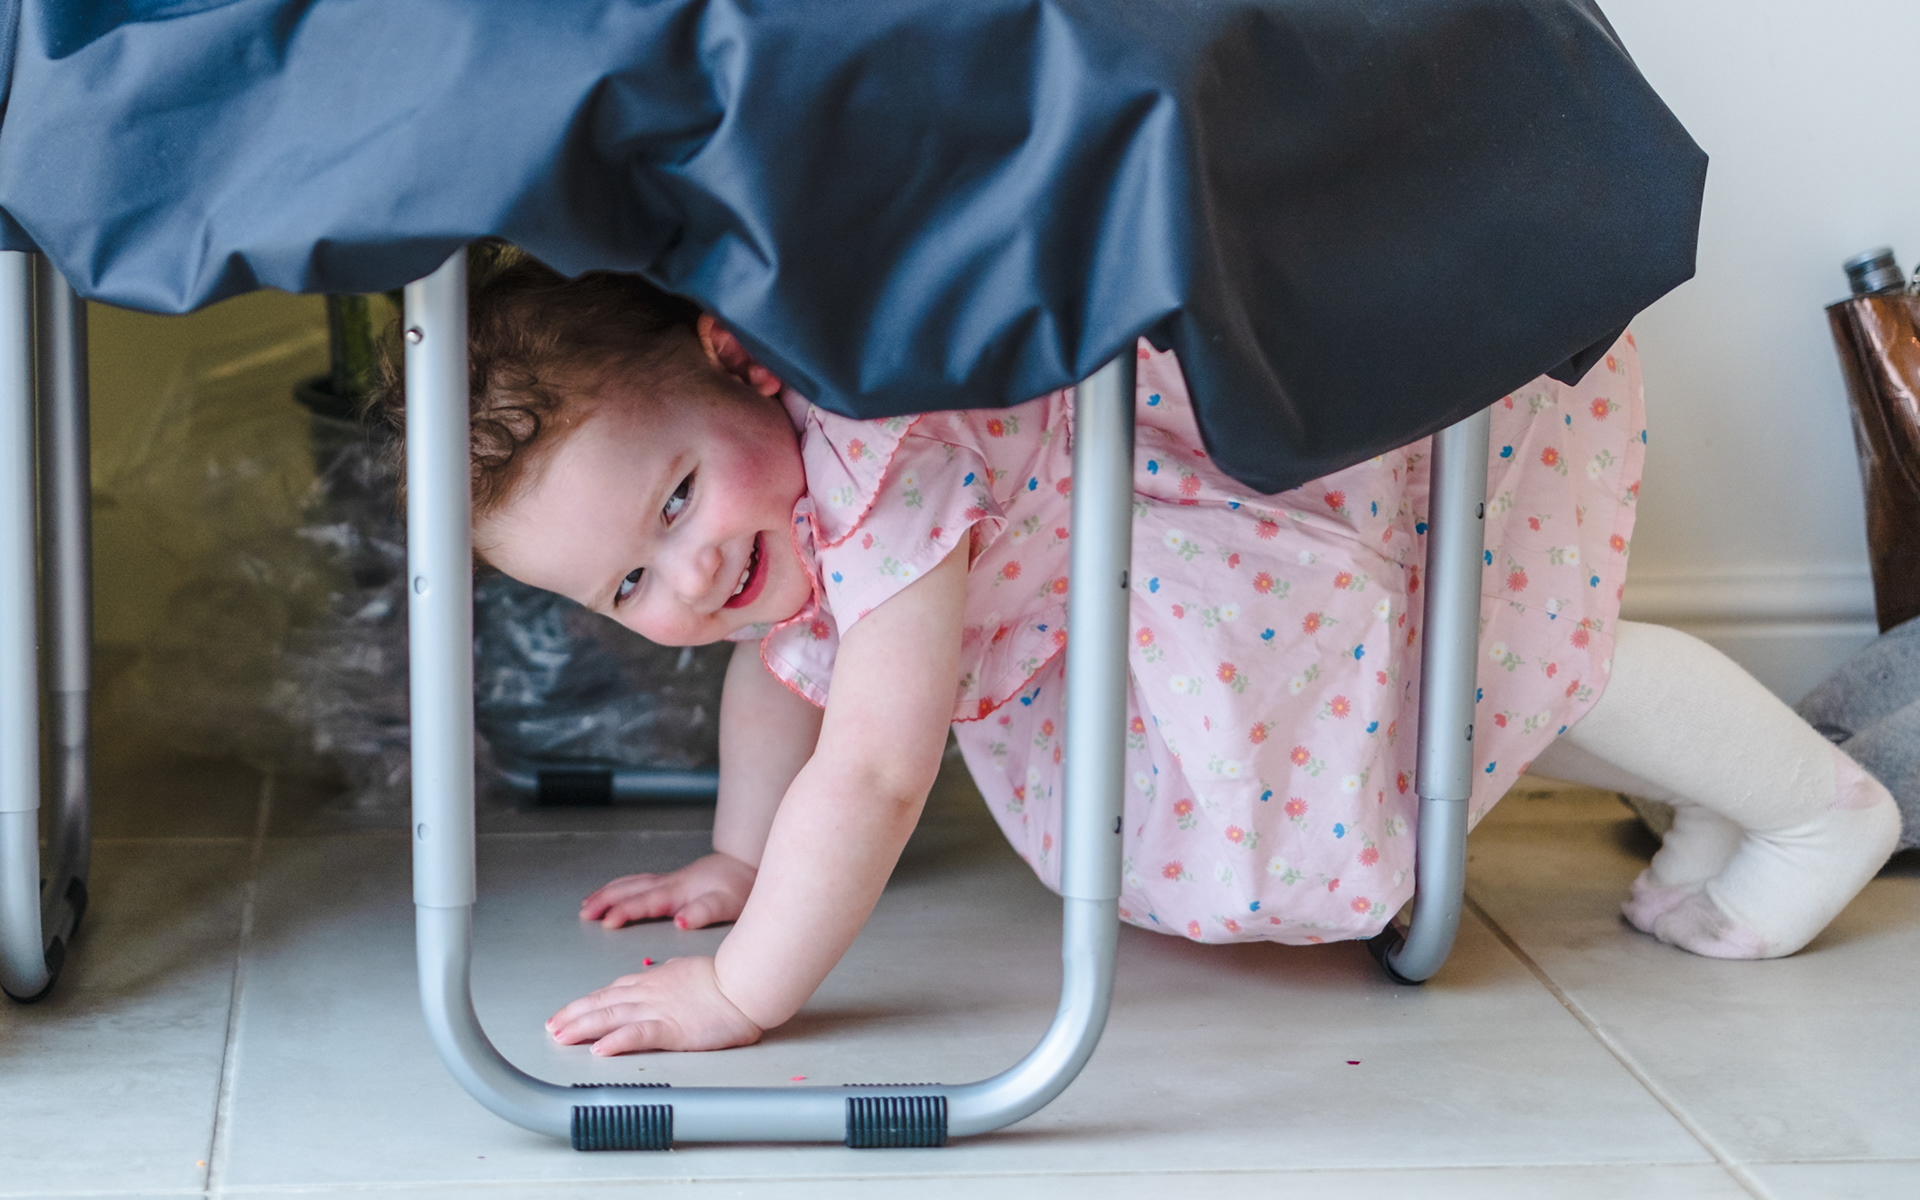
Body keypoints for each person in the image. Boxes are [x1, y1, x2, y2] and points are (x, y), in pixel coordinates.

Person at [380, 249, 1899, 1055]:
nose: (694, 572)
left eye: (676, 499)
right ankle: (1725, 805)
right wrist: (738, 858)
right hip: (1153, 586)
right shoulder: (777, 518)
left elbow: (877, 765)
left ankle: (1821, 812)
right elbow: (781, 681)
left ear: (737, 362)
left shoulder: (872, 469)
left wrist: (742, 989)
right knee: (1495, 682)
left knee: (1520, 663)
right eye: (631, 580)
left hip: (1233, 541)